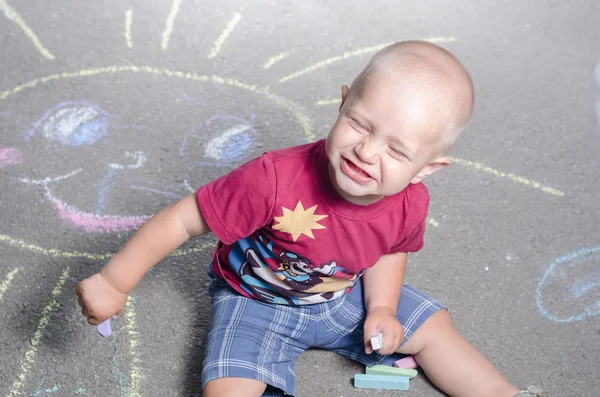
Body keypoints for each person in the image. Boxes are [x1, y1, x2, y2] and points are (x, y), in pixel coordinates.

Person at [76, 41, 548, 397]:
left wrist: (382, 306)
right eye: (361, 124)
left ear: (425, 169)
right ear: (343, 103)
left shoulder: (410, 199)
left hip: (345, 294)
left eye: (396, 149)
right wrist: (115, 281)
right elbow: (185, 218)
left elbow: (390, 247)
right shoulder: (274, 178)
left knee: (436, 330)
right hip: (255, 300)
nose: (366, 150)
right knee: (228, 387)